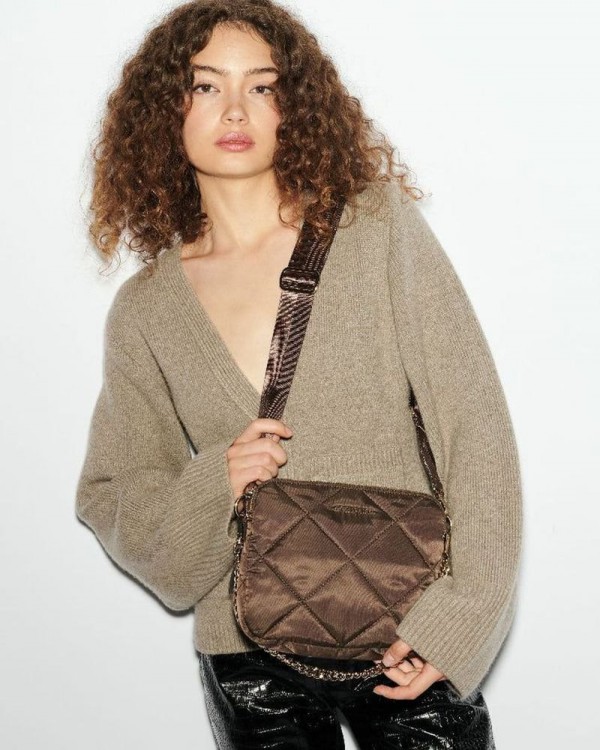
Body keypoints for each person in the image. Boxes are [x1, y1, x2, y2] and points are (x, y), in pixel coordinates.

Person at [75, 1, 522, 747]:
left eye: (262, 85)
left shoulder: (376, 229)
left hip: (406, 630)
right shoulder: (147, 307)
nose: (236, 109)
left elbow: (473, 424)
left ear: (296, 106)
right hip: (249, 655)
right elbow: (111, 492)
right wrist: (216, 482)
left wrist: (462, 617)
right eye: (206, 85)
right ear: (164, 110)